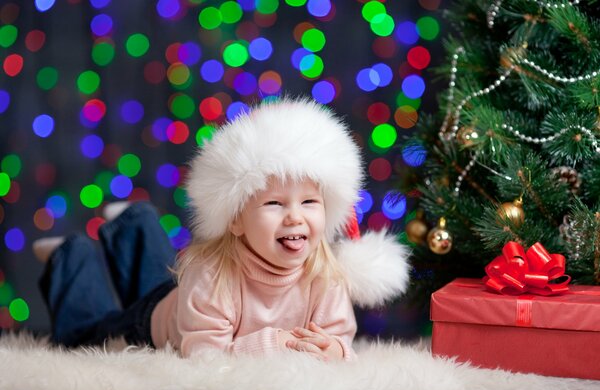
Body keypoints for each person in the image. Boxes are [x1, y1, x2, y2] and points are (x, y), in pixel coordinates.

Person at [35, 98, 411, 361]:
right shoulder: (212, 275)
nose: (295, 217)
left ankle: (135, 224)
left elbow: (338, 338)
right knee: (87, 336)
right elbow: (203, 356)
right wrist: (271, 343)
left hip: (187, 301)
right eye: (275, 203)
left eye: (309, 203)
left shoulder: (325, 276)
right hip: (157, 323)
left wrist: (335, 350)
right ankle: (71, 257)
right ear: (235, 219)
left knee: (156, 279)